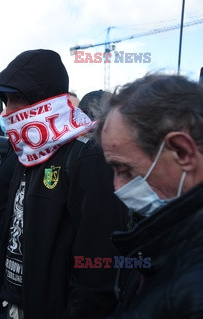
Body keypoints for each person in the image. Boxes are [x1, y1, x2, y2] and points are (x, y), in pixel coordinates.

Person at [0, 49, 129, 319]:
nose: (7, 113)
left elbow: (98, 269)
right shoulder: (25, 151)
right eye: (5, 101)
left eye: (15, 100)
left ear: (44, 103)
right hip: (7, 305)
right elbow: (12, 226)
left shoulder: (87, 156)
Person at [94, 74, 203, 318]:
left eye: (125, 169)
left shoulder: (193, 292)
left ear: (183, 152)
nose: (117, 186)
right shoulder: (169, 239)